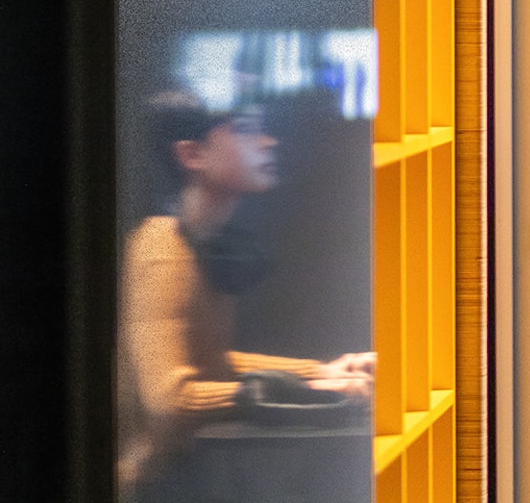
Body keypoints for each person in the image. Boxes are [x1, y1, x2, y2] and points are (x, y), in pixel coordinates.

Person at [117, 91, 376, 498]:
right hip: (144, 485)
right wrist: (301, 390)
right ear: (192, 155)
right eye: (244, 130)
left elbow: (211, 364)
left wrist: (320, 373)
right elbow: (169, 400)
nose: (267, 142)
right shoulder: (162, 251)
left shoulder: (206, 245)